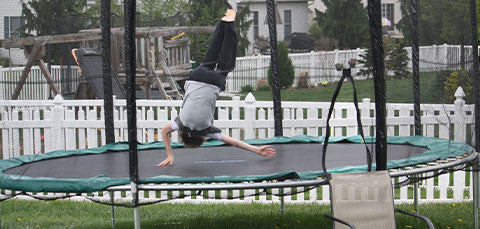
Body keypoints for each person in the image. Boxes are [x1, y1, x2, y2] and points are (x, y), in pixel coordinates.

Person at [157, 9, 276, 167]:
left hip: (213, 82)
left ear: (203, 139)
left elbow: (233, 142)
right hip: (195, 77)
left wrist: (256, 150)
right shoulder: (180, 124)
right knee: (210, 58)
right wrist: (169, 154)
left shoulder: (207, 130)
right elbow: (164, 132)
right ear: (182, 134)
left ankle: (230, 23)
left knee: (226, 63)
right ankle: (222, 23)